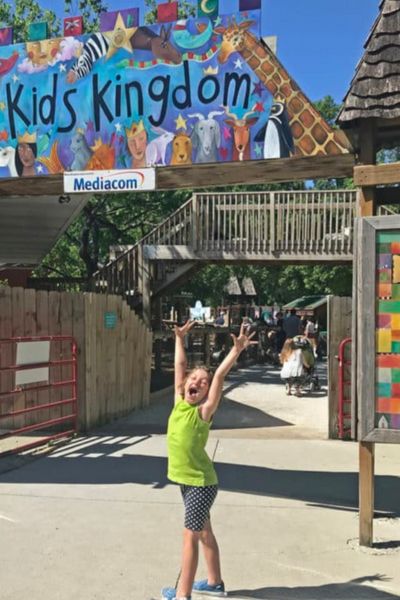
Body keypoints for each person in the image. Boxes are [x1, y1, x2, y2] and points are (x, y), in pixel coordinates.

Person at [162, 320, 256, 600]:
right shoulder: (179, 402)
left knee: (190, 536)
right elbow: (180, 366)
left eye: (203, 383)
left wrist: (235, 351)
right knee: (204, 532)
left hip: (201, 484)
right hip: (188, 481)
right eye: (195, 379)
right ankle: (214, 583)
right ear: (184, 385)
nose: (198, 383)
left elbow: (218, 378)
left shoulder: (203, 412)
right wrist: (179, 339)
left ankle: (182, 595)